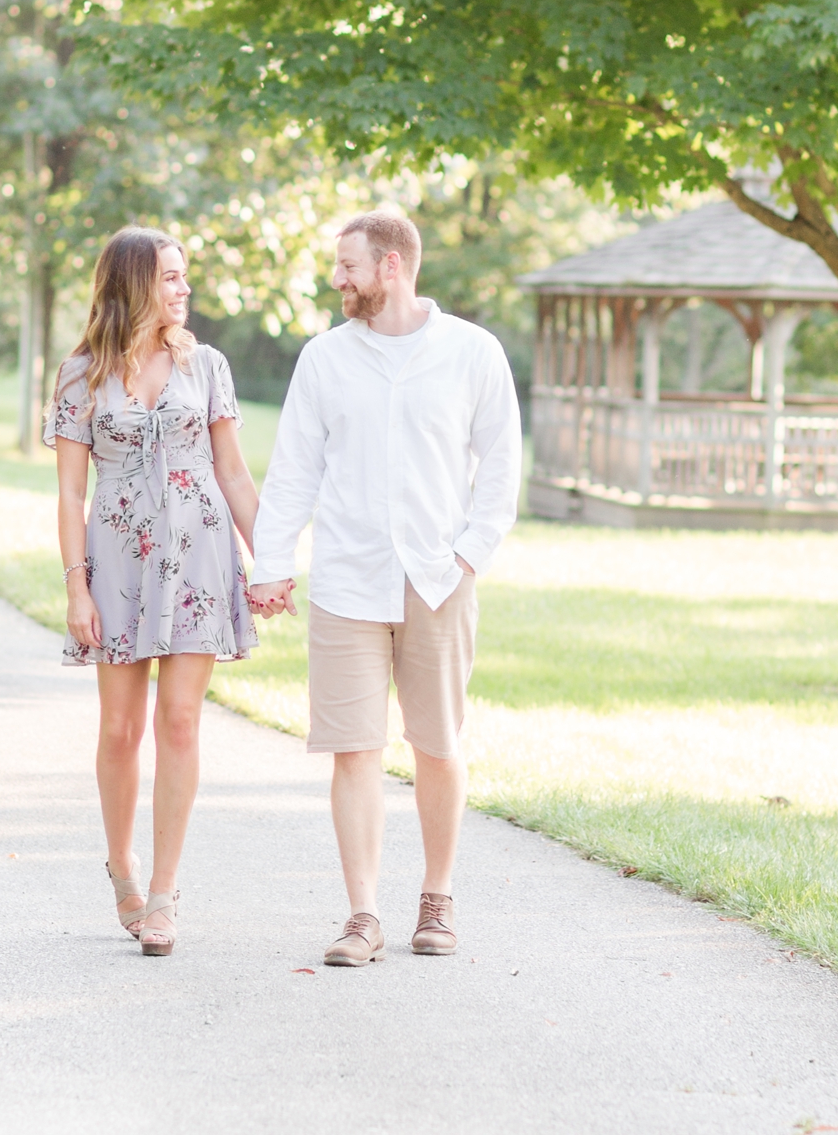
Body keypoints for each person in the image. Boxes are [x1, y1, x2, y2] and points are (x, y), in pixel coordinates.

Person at [248, 210, 523, 967]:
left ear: (391, 267)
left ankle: (437, 899)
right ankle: (362, 913)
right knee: (353, 749)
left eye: (349, 266)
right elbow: (294, 469)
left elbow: (501, 463)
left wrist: (469, 554)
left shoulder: (472, 352)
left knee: (436, 746)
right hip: (347, 581)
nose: (338, 279)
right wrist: (272, 562)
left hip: (439, 580)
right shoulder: (325, 360)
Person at [46, 224, 273, 957]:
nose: (184, 288)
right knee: (120, 729)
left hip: (199, 554)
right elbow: (70, 495)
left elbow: (234, 475)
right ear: (135, 283)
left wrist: (266, 560)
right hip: (116, 559)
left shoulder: (206, 364)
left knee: (180, 722)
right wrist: (77, 590)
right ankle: (124, 872)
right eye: (171, 277)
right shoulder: (80, 374)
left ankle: (167, 896)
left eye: (184, 276)